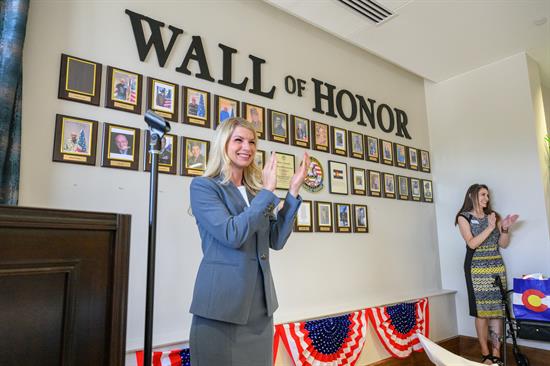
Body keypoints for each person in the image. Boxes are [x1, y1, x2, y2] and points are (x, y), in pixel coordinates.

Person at [189, 117, 309, 366]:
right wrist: (267, 192)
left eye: (252, 142)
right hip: (222, 310)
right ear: (223, 143)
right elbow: (231, 234)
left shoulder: (256, 192)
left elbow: (275, 240)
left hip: (260, 310)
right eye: (239, 140)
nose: (247, 147)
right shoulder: (204, 187)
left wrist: (293, 192)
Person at [455, 184, 519, 365]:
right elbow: (472, 243)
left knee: (497, 312)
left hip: (496, 267)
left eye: (488, 195)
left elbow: (503, 244)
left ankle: (497, 355)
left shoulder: (494, 216)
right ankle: (486, 355)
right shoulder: (463, 217)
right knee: (482, 313)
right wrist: (490, 228)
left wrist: (504, 228)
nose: (486, 199)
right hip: (476, 268)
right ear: (471, 195)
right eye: (483, 194)